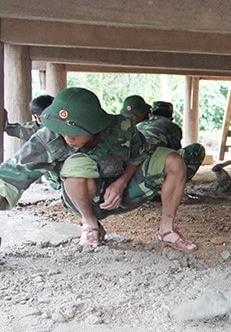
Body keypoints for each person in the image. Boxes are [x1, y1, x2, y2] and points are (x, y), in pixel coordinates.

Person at [0, 87, 197, 251]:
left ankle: (166, 230)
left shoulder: (122, 126)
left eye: (75, 132)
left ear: (96, 126)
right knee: (77, 164)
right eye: (63, 131)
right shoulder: (48, 138)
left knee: (174, 160)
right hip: (81, 199)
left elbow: (140, 154)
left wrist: (121, 183)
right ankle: (90, 225)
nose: (68, 137)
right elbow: (9, 178)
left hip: (124, 192)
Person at [135, 100, 206, 182]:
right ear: (171, 118)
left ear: (150, 115)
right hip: (155, 174)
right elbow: (176, 153)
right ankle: (177, 183)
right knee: (197, 149)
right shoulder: (171, 126)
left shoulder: (139, 125)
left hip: (135, 173)